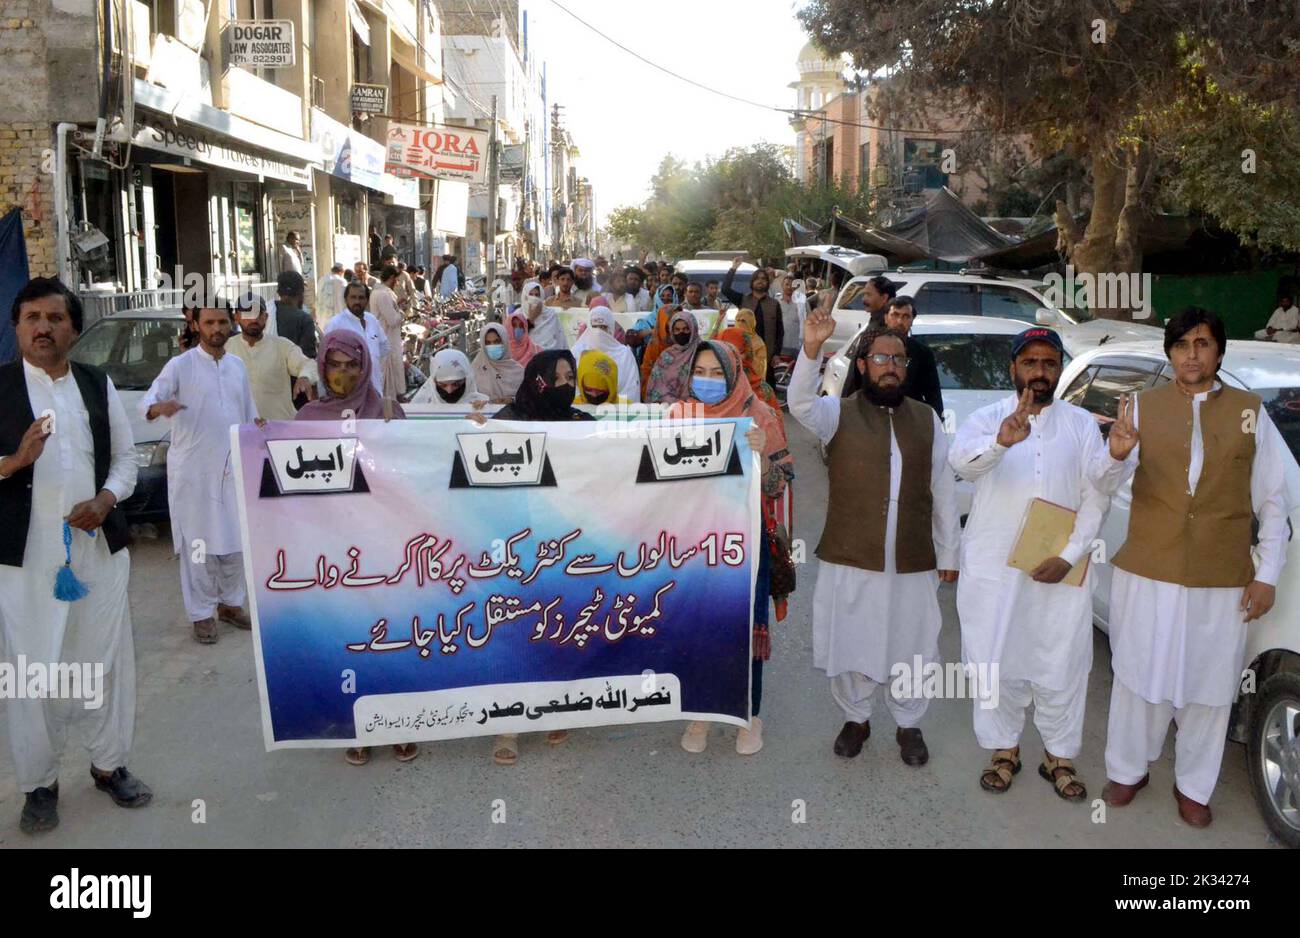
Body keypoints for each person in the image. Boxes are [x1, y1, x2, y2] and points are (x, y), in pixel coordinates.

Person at [1090, 307, 1292, 828]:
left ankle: (1194, 787)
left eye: (1202, 344)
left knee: (1209, 683)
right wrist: (1115, 455)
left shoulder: (1250, 412)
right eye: (1182, 346)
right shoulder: (1139, 405)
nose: (1192, 355)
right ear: (1170, 354)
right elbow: (1102, 484)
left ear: (1218, 352)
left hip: (1220, 576)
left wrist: (1267, 572)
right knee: (1137, 673)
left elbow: (1273, 499)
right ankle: (1128, 770)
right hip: (1148, 569)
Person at [0, 277, 152, 834]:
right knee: (31, 670)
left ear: (73, 327)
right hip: (25, 562)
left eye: (56, 318)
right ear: (16, 327)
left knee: (108, 657)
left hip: (95, 550)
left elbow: (128, 460)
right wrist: (14, 461)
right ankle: (39, 785)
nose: (44, 328)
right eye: (32, 318)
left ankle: (110, 766)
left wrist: (106, 499)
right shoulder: (2, 387)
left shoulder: (95, 383)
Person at [788, 299, 960, 766]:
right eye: (881, 359)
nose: (890, 368)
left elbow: (943, 489)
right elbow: (799, 403)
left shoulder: (926, 420)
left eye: (898, 360)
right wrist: (810, 350)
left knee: (913, 640)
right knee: (853, 638)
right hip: (852, 554)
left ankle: (908, 723)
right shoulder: (837, 414)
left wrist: (950, 554)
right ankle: (856, 717)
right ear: (862, 365)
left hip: (911, 557)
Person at [949, 327, 1110, 802]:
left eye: (1050, 363)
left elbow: (1095, 497)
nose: (1040, 372)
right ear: (1012, 368)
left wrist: (1070, 555)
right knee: (996, 658)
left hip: (1062, 567)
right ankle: (1004, 749)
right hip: (995, 569)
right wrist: (1001, 442)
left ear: (1060, 369)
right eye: (1030, 362)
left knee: (1062, 659)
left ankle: (1059, 755)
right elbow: (963, 464)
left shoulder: (1080, 424)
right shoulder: (987, 418)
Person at [296, 331, 412, 763]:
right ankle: (355, 725)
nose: (343, 374)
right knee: (345, 640)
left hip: (383, 545)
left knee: (390, 636)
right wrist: (259, 439)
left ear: (364, 367)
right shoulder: (306, 418)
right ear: (322, 367)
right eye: (335, 365)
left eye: (352, 365)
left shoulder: (386, 411)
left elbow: (412, 471)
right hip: (333, 550)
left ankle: (399, 723)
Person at [673, 341, 793, 756]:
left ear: (734, 372)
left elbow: (782, 485)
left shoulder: (758, 415)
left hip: (746, 542)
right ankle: (701, 711)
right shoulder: (680, 416)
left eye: (716, 372)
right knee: (699, 628)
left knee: (745, 629)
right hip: (693, 545)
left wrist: (763, 458)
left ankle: (749, 714)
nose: (707, 381)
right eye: (700, 372)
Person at [478, 349, 592, 766]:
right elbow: (472, 467)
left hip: (562, 545)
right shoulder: (510, 420)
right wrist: (473, 431)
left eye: (570, 376)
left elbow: (620, 463)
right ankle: (506, 723)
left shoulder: (580, 423)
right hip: (513, 543)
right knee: (512, 630)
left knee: (558, 624)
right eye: (556, 376)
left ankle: (556, 705)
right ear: (538, 378)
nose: (564, 384)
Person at [141, 301, 262, 645]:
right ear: (196, 325)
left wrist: (260, 431)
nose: (216, 329)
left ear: (230, 324)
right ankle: (201, 614)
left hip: (230, 469)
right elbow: (148, 402)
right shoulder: (179, 366)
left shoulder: (237, 366)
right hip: (193, 475)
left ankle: (231, 604)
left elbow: (249, 412)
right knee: (198, 546)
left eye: (222, 322)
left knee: (235, 541)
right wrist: (157, 408)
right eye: (209, 322)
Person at [228, 296, 317, 421]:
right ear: (236, 317)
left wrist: (305, 376)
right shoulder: (226, 349)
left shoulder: (282, 345)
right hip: (241, 429)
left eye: (258, 313)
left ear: (266, 317)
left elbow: (308, 364)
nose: (254, 319)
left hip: (280, 430)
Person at [722, 256, 783, 383]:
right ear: (752, 282)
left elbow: (780, 331)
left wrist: (777, 354)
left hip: (766, 357)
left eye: (763, 279)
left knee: (766, 393)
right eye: (757, 279)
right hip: (745, 356)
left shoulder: (774, 304)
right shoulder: (743, 300)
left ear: (768, 283)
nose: (760, 281)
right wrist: (733, 268)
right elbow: (725, 289)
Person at [324, 282, 389, 396]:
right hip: (350, 391)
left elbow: (384, 347)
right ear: (346, 299)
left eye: (361, 298)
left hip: (375, 387)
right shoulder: (336, 323)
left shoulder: (372, 320)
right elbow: (326, 358)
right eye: (353, 297)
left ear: (367, 300)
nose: (357, 302)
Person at [883, 296, 944, 416]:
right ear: (886, 318)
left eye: (906, 316)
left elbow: (933, 396)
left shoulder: (923, 354)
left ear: (912, 320)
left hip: (910, 420)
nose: (900, 321)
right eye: (895, 315)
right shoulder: (870, 348)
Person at [570, 304, 641, 403]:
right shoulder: (576, 352)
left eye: (603, 327)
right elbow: (572, 388)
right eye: (594, 327)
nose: (598, 331)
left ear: (611, 328)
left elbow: (631, 389)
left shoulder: (624, 354)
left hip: (616, 411)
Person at [645, 311, 701, 404]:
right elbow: (657, 386)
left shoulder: (702, 351)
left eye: (686, 329)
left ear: (693, 329)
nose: (681, 333)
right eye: (677, 330)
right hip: (669, 408)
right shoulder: (667, 355)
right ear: (672, 331)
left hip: (698, 407)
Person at [635, 284, 683, 387]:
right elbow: (632, 336)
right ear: (657, 298)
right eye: (662, 296)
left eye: (669, 295)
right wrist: (655, 331)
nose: (666, 298)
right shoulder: (647, 320)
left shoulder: (682, 317)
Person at [369, 266, 406, 401]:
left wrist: (397, 305)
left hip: (386, 336)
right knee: (389, 372)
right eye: (396, 279)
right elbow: (392, 320)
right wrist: (401, 311)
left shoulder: (379, 292)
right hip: (387, 337)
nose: (397, 283)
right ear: (391, 278)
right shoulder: (383, 294)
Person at [410, 348, 489, 406]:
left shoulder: (481, 405)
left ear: (467, 380)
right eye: (442, 385)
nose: (449, 391)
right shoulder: (420, 405)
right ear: (433, 382)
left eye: (456, 384)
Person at [472, 322, 525, 404]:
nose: (492, 345)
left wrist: (512, 400)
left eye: (497, 341)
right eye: (488, 343)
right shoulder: (475, 369)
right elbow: (469, 399)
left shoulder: (518, 371)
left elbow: (526, 399)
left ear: (505, 342)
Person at [272, 271, 318, 362]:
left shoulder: (266, 312)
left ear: (279, 292)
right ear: (301, 293)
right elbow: (308, 357)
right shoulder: (304, 319)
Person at [778, 276, 803, 355]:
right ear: (782, 285)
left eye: (792, 285)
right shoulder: (775, 302)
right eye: (787, 284)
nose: (789, 287)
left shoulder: (802, 303)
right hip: (780, 346)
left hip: (797, 346)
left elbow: (807, 322)